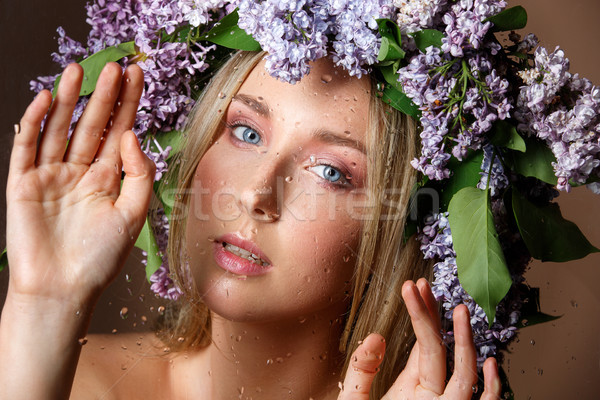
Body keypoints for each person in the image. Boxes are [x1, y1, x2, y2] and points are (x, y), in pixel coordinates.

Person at [0, 49, 502, 399]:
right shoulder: (66, 384)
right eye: (245, 131)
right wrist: (45, 306)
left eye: (331, 172)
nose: (257, 193)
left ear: (400, 229)